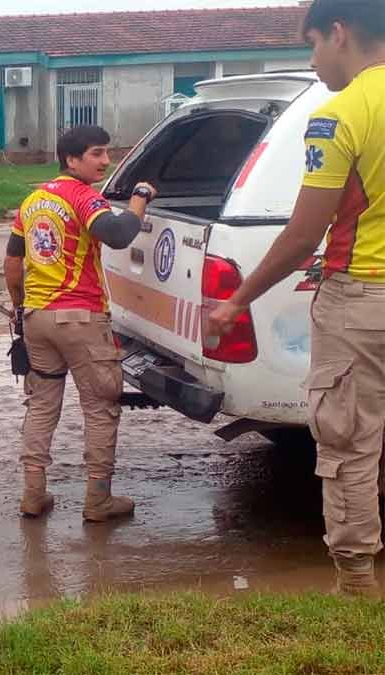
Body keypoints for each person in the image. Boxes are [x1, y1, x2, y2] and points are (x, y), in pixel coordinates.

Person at [208, 0, 385, 596]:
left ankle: (357, 586)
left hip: (362, 300)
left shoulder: (338, 116)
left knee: (351, 445)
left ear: (339, 34)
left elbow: (304, 234)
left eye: (312, 45)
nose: (313, 61)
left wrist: (238, 299)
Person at [3, 125, 155, 523]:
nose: (106, 161)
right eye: (97, 154)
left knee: (41, 407)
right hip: (81, 320)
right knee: (101, 406)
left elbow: (12, 264)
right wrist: (140, 198)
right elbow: (120, 234)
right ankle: (98, 500)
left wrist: (20, 309)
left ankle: (33, 495)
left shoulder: (32, 200)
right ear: (71, 160)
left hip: (38, 320)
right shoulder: (84, 197)